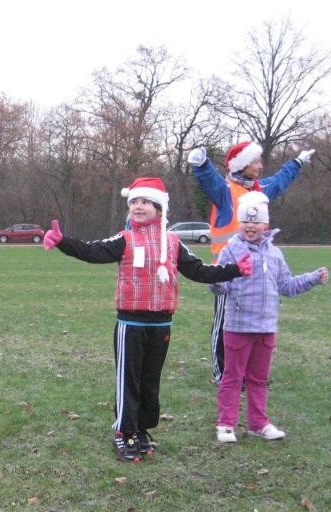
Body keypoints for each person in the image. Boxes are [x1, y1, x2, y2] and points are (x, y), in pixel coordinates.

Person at [43, 177, 250, 462]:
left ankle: (141, 429)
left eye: (145, 202)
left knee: (150, 382)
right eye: (134, 202)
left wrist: (234, 270)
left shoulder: (173, 243)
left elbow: (199, 270)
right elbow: (93, 251)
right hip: (131, 325)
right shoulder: (125, 239)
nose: (138, 207)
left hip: (161, 325)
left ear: (159, 208)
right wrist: (63, 242)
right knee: (129, 380)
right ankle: (125, 431)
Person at [187, 142, 315, 384]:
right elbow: (210, 181)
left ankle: (251, 375)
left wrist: (297, 162)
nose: (260, 166)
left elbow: (280, 180)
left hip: (258, 272)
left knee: (255, 326)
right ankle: (223, 374)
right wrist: (202, 164)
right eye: (256, 161)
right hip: (227, 272)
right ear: (243, 165)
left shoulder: (260, 190)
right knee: (225, 324)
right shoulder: (225, 191)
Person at [210, 191, 327, 443]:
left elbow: (287, 285)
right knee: (232, 377)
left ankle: (258, 423)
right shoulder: (231, 251)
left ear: (266, 225)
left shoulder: (275, 254)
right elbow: (220, 285)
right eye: (245, 221)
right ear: (239, 223)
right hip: (238, 327)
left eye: (256, 221)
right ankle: (226, 424)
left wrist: (313, 278)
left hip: (266, 328)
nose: (250, 226)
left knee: (259, 379)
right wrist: (217, 281)